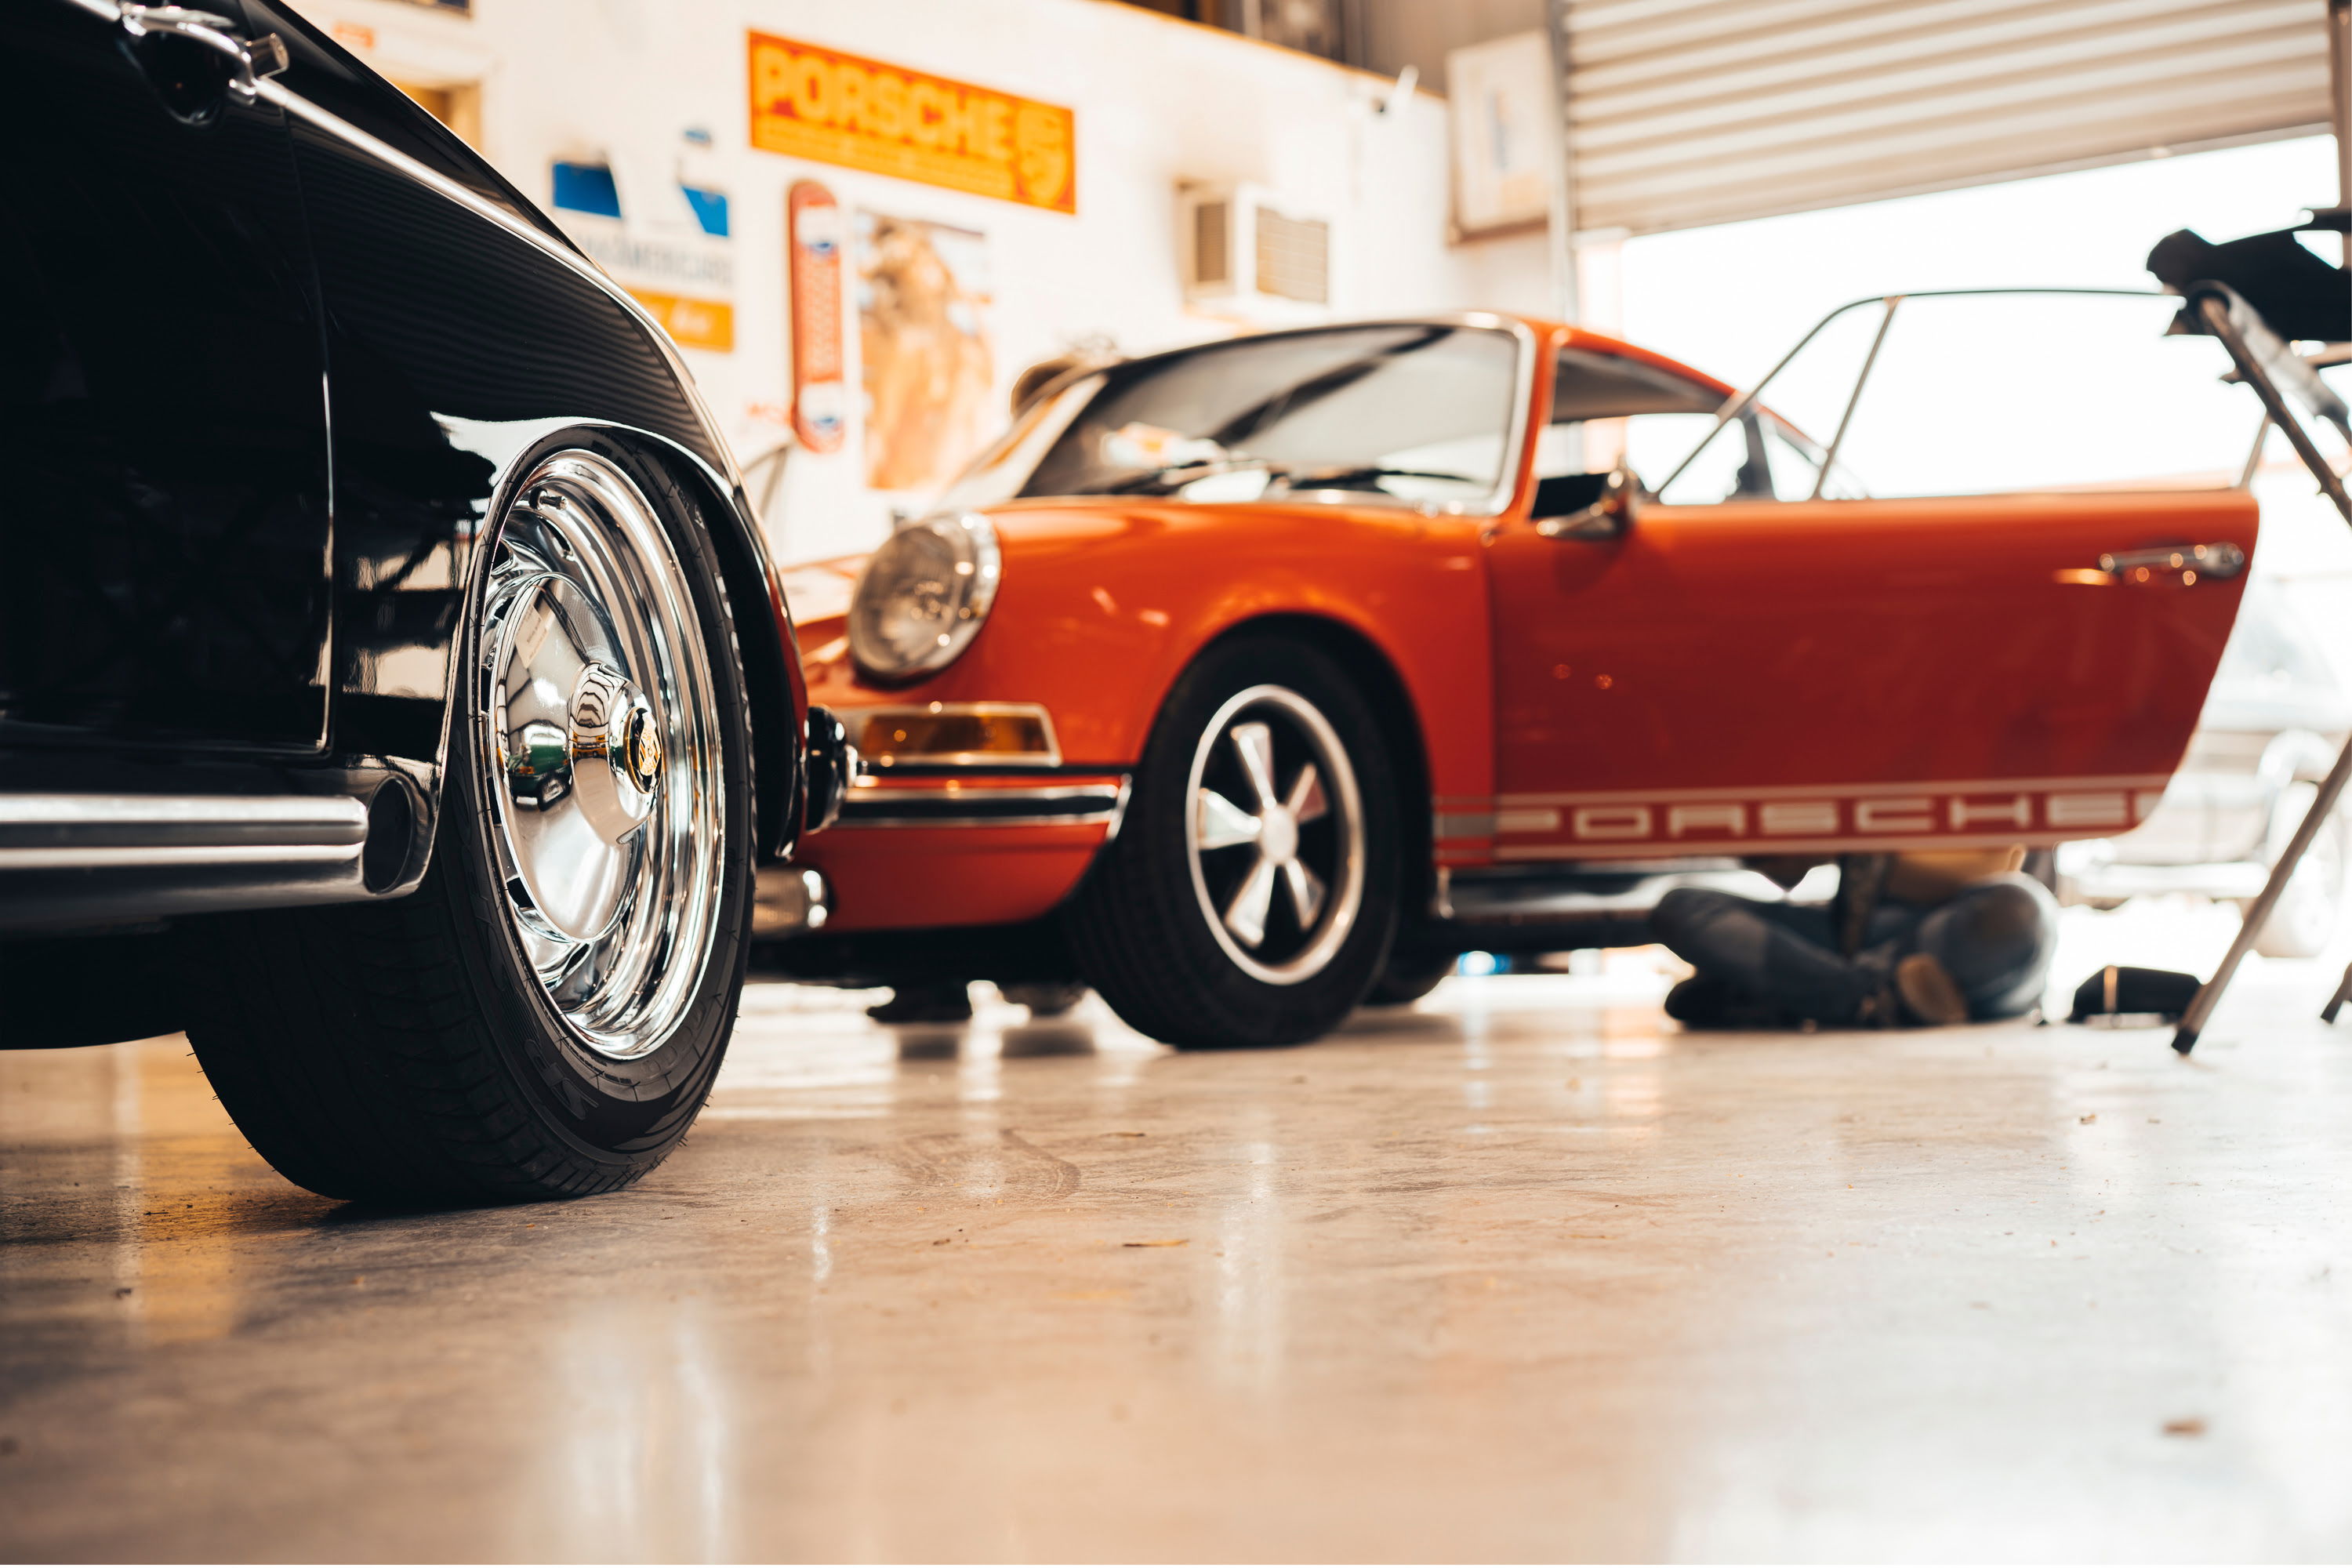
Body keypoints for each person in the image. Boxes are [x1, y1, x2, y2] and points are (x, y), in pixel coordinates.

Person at [1650, 848, 2058, 1030]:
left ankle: (1795, 993)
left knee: (2022, 910)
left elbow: (1990, 866)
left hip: (1950, 937)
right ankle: (1871, 998)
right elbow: (1786, 873)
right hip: (1851, 936)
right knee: (1681, 907)